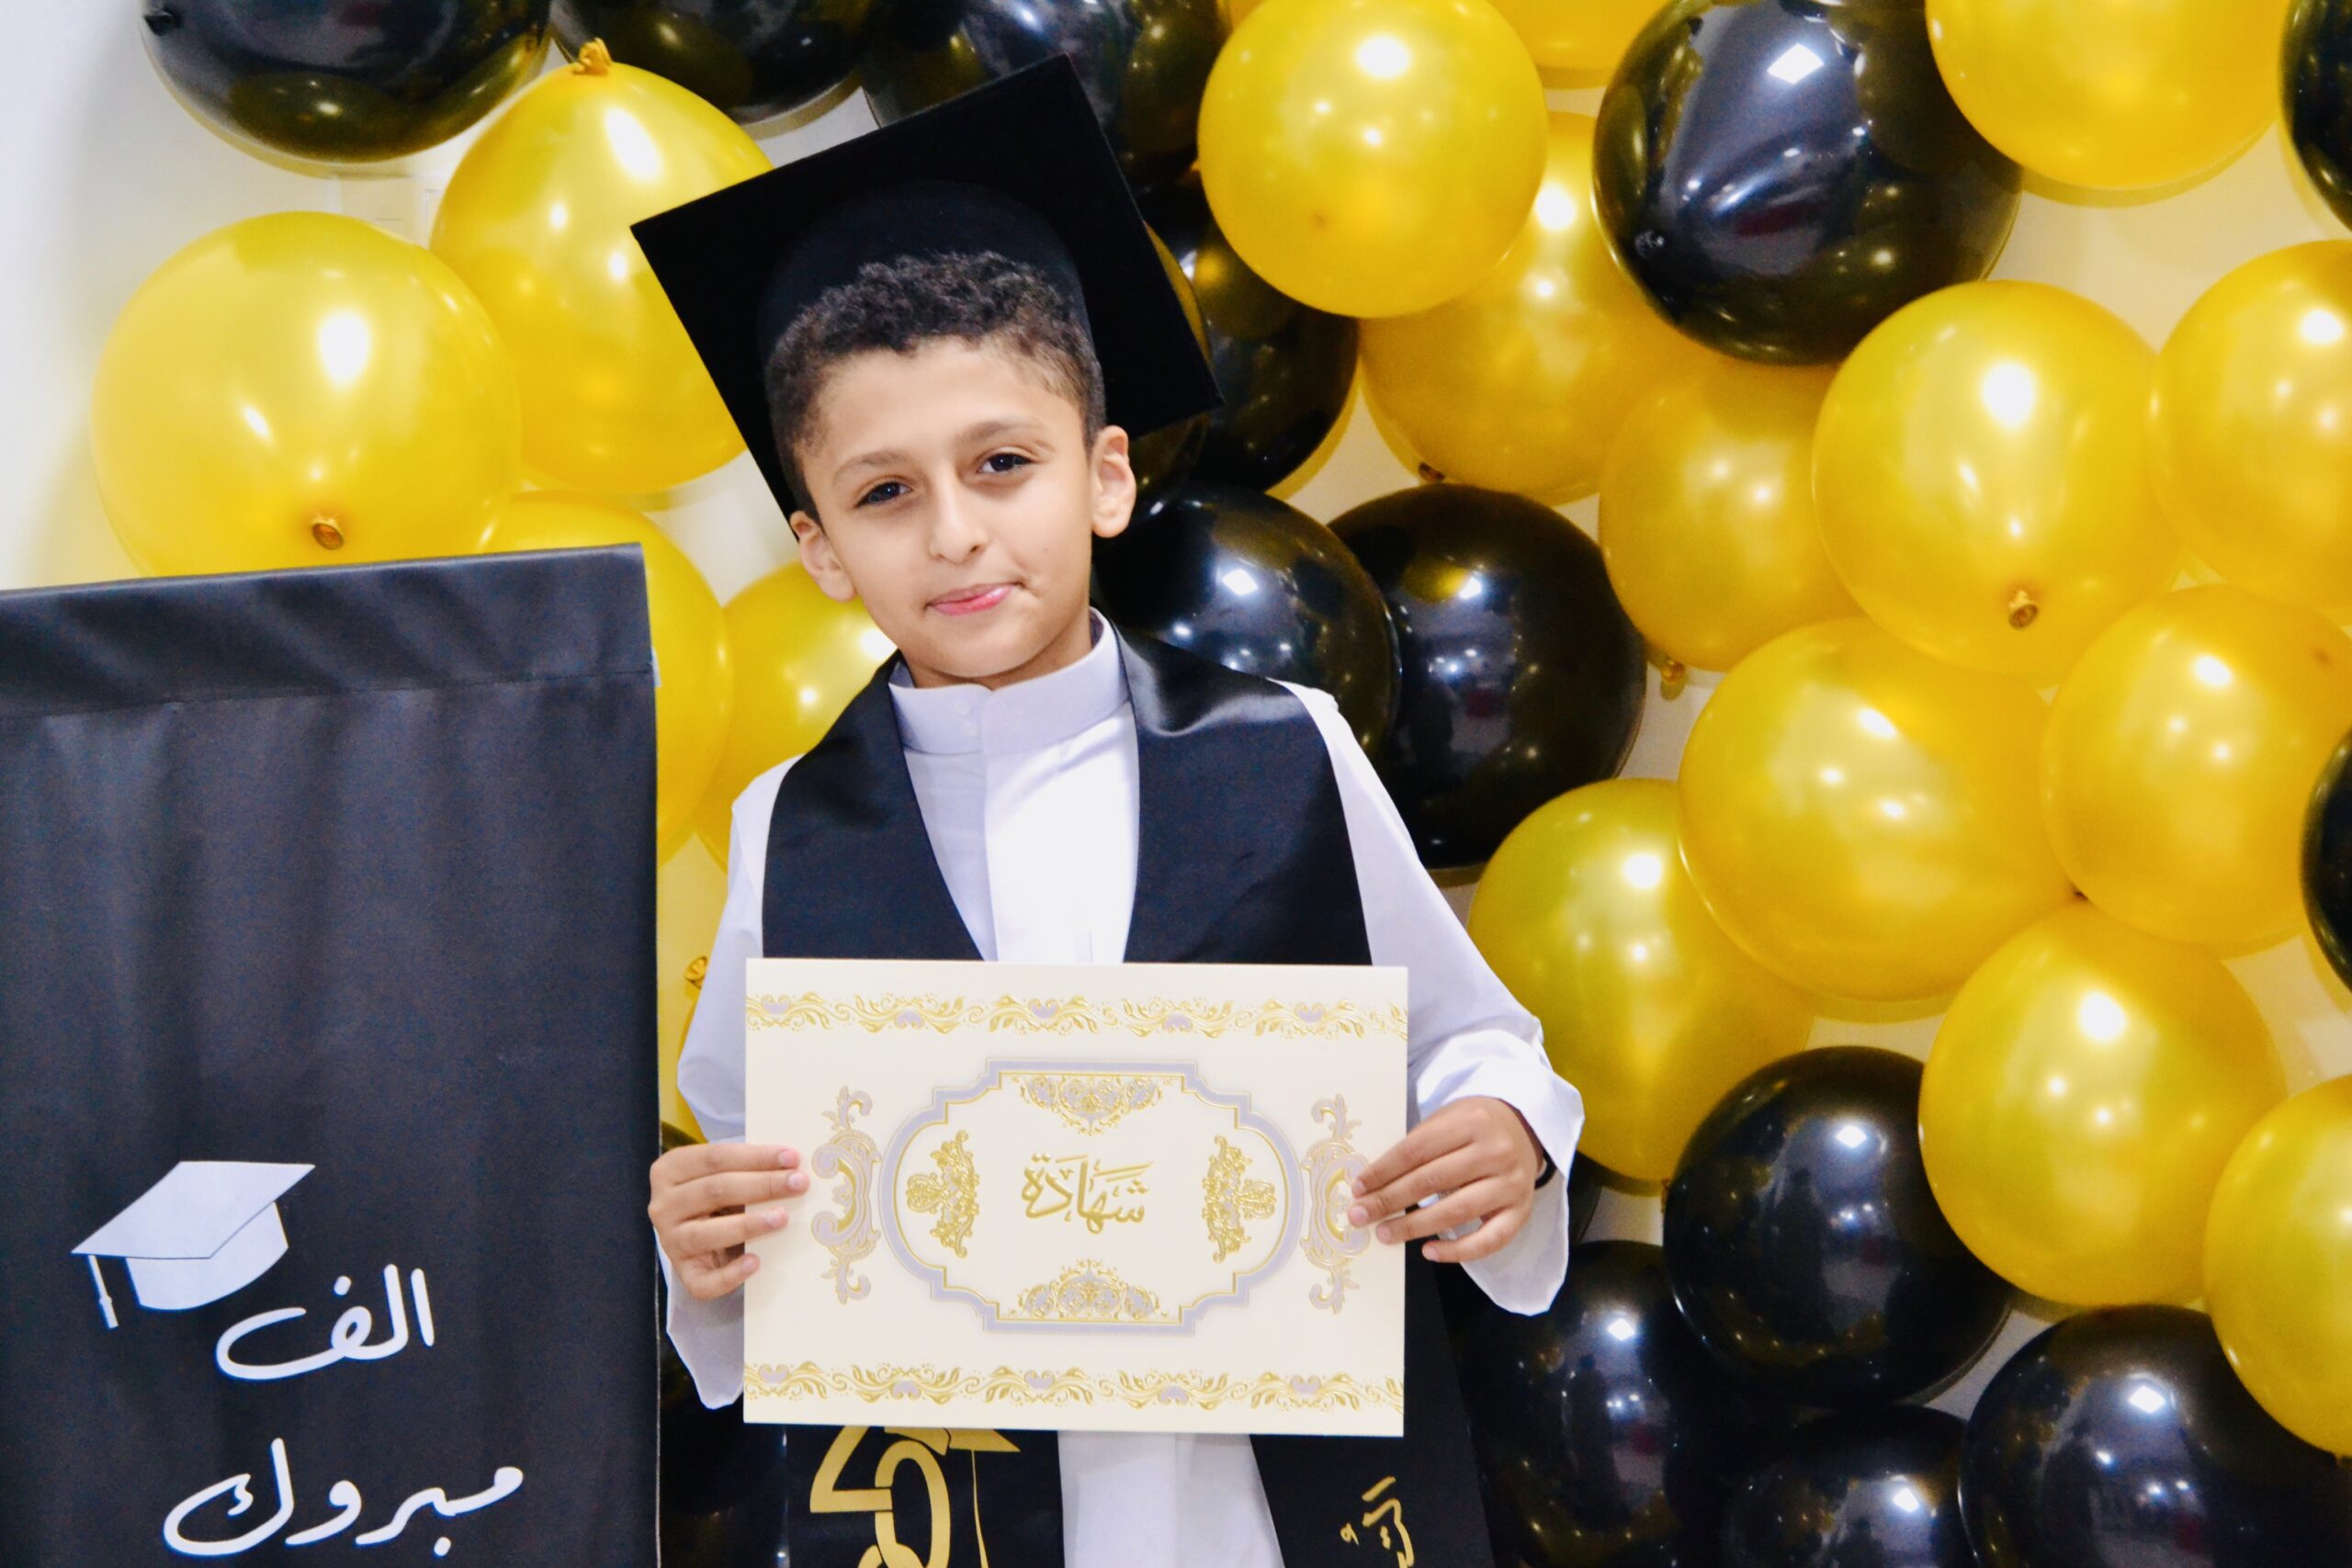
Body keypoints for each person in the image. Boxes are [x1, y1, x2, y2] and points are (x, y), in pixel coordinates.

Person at [634, 59, 1586, 1568]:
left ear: (1105, 475)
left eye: (1002, 464)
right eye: (884, 495)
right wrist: (706, 1243)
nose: (956, 532)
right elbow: (766, 1183)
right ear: (819, 548)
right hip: (954, 1511)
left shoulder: (1286, 754)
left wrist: (1504, 1133)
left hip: (1262, 1509)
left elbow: (1467, 1039)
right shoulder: (787, 827)